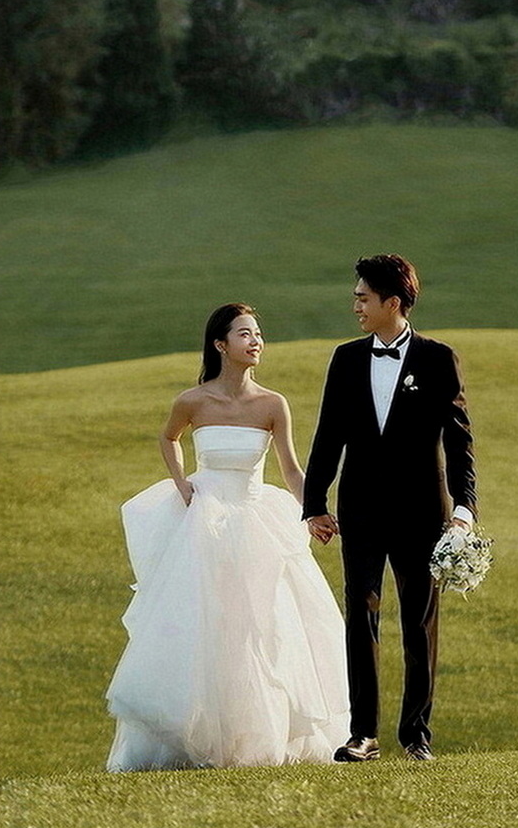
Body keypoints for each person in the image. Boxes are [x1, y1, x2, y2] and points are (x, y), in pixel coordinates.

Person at [106, 304, 350, 771]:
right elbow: (169, 438)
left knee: (262, 628)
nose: (256, 341)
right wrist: (182, 484)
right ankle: (194, 739)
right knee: (202, 625)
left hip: (257, 521)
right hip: (206, 522)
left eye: (258, 334)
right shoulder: (193, 401)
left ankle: (252, 739)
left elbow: (290, 468)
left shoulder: (272, 404)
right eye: (244, 334)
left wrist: (314, 509)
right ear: (221, 344)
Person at [303, 255, 477, 763]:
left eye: (363, 298)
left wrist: (465, 508)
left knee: (420, 623)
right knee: (361, 615)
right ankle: (363, 734)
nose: (355, 306)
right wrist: (314, 502)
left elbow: (459, 441)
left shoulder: (439, 358)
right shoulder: (346, 359)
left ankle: (416, 736)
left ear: (392, 302)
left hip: (422, 512)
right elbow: (328, 435)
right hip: (359, 509)